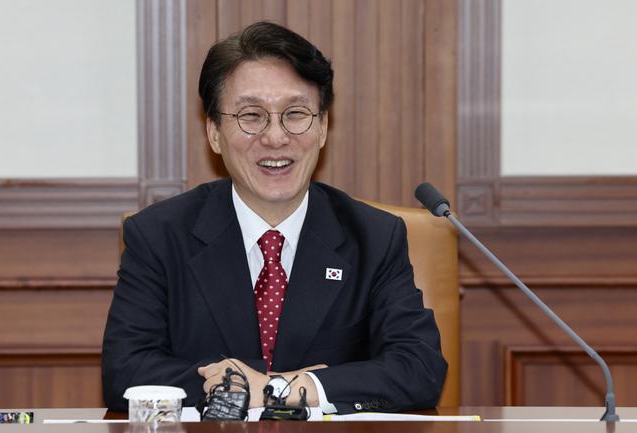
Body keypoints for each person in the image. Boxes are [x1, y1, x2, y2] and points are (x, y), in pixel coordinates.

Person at [102, 21, 447, 414]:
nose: (275, 137)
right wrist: (239, 385)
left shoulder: (374, 238)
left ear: (323, 127)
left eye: (295, 114)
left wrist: (278, 388)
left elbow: (420, 368)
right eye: (251, 116)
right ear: (214, 132)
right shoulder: (158, 236)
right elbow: (124, 371)